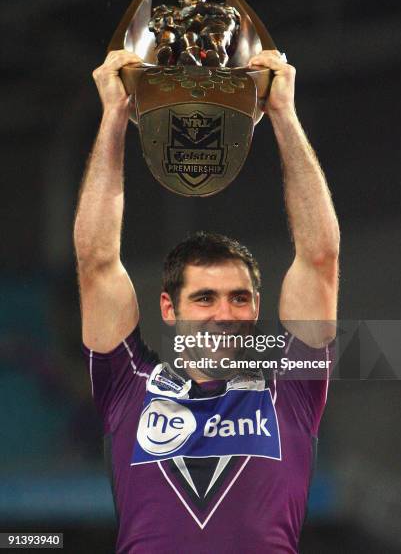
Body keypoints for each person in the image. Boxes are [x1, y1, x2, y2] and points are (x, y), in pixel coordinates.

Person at [74, 48, 340, 553]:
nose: (224, 314)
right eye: (204, 298)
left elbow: (319, 257)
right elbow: (98, 263)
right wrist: (112, 117)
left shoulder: (291, 390)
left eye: (239, 298)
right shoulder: (128, 386)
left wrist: (284, 113)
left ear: (257, 306)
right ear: (169, 309)